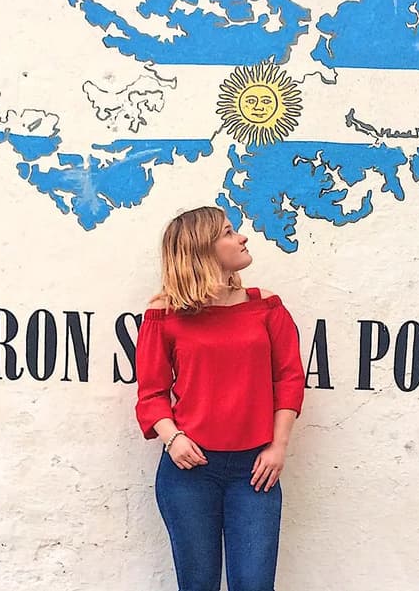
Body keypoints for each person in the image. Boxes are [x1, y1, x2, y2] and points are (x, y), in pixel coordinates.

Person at [135, 206, 306, 591]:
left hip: (255, 470)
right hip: (189, 472)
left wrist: (278, 447)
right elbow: (151, 393)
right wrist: (173, 439)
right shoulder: (164, 316)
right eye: (228, 232)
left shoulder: (266, 307)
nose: (241, 237)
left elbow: (290, 379)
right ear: (201, 249)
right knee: (198, 585)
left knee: (254, 585)